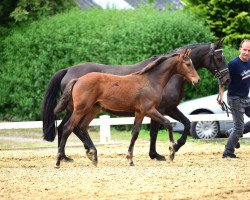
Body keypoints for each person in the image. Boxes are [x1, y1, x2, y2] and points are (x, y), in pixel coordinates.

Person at [218, 39, 250, 158]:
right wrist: (221, 95)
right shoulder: (233, 64)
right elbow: (222, 79)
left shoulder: (249, 62)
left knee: (237, 129)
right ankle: (228, 152)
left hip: (245, 98)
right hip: (235, 98)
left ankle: (231, 133)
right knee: (239, 128)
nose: (246, 52)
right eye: (245, 50)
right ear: (240, 49)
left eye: (249, 50)